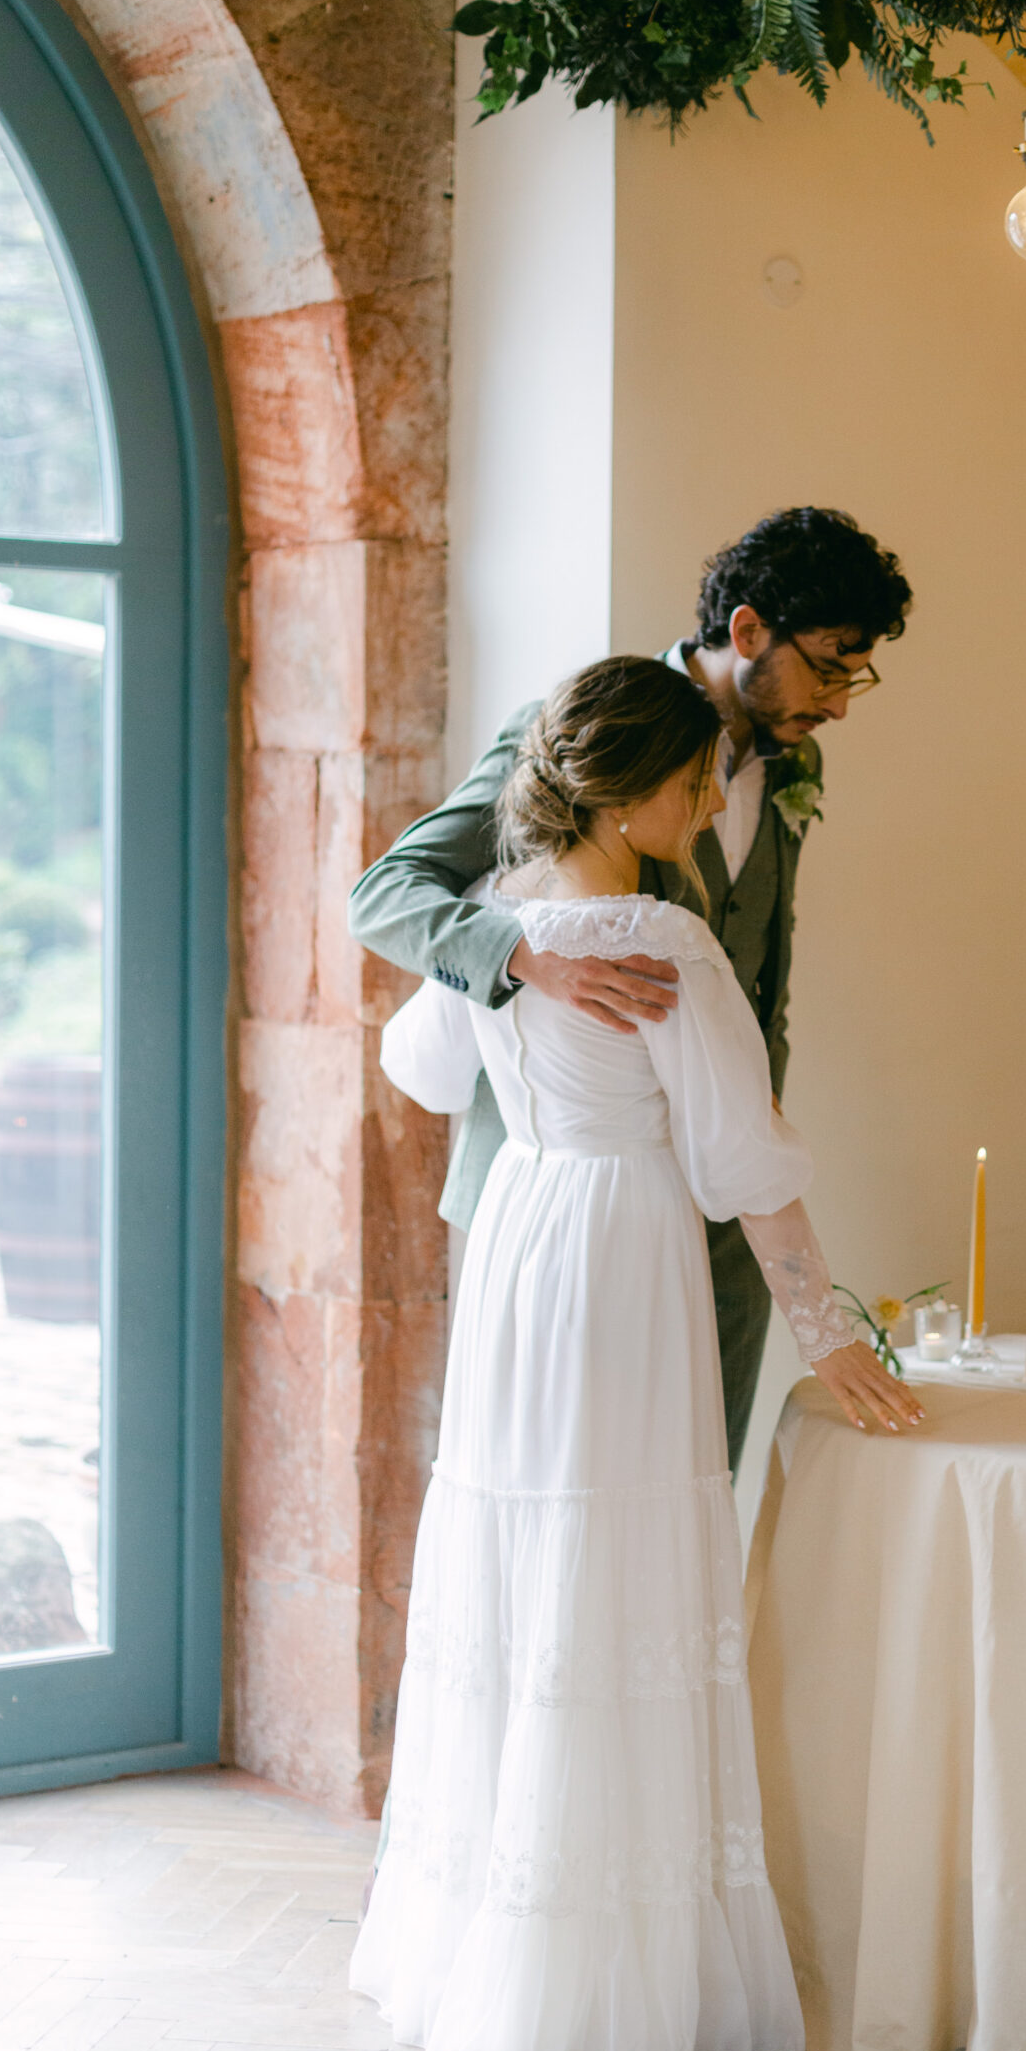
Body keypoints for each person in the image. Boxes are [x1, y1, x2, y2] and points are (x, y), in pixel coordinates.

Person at [348, 656, 920, 2051]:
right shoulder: (665, 939)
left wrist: (503, 967)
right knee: (615, 1562)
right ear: (638, 793)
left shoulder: (500, 921)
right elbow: (744, 1167)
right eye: (689, 784)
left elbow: (415, 1063)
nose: (707, 799)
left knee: (523, 1551)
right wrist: (825, 1329)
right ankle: (610, 1971)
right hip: (619, 1252)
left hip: (521, 1241)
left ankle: (492, 1944)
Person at [347, 506, 913, 1476]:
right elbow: (384, 894)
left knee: (692, 1491)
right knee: (561, 1486)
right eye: (828, 665)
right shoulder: (577, 729)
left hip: (726, 1194)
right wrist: (527, 957)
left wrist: (754, 1118)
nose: (841, 702)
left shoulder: (795, 762)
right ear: (746, 634)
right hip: (566, 1192)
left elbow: (760, 966)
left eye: (855, 672)